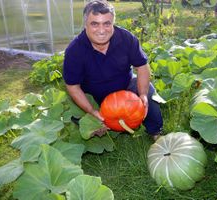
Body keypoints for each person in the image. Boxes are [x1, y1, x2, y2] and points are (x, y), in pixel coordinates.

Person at [63, 0, 163, 140]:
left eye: (107, 23)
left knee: (148, 92)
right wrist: (92, 111)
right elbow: (72, 86)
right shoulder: (74, 51)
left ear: (113, 23)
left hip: (125, 90)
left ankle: (155, 132)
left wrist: (143, 95)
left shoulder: (126, 38)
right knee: (77, 117)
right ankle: (98, 127)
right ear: (85, 24)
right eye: (95, 24)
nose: (102, 30)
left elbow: (142, 66)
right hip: (94, 97)